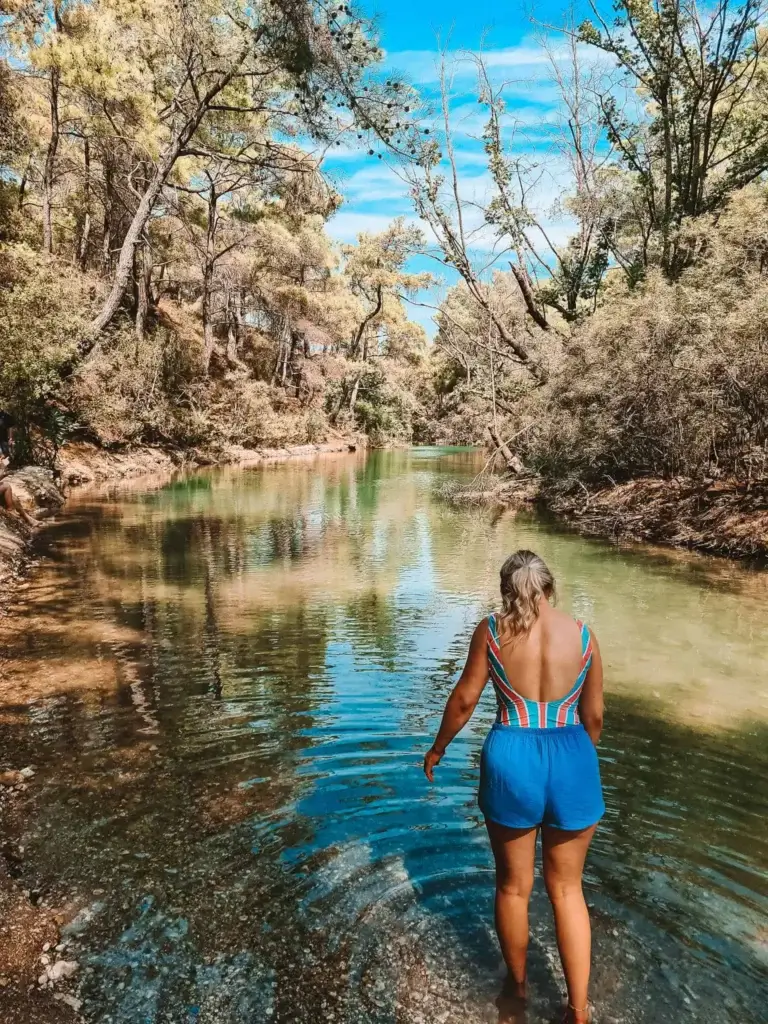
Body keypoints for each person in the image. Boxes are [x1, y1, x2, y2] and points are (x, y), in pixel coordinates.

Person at [424, 550, 604, 1024]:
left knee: (513, 887)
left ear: (508, 589)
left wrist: (438, 747)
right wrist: (577, 761)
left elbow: (465, 699)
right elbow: (594, 717)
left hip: (512, 761)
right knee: (567, 890)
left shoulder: (492, 631)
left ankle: (517, 993)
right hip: (572, 759)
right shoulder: (584, 635)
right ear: (550, 587)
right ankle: (579, 1011)